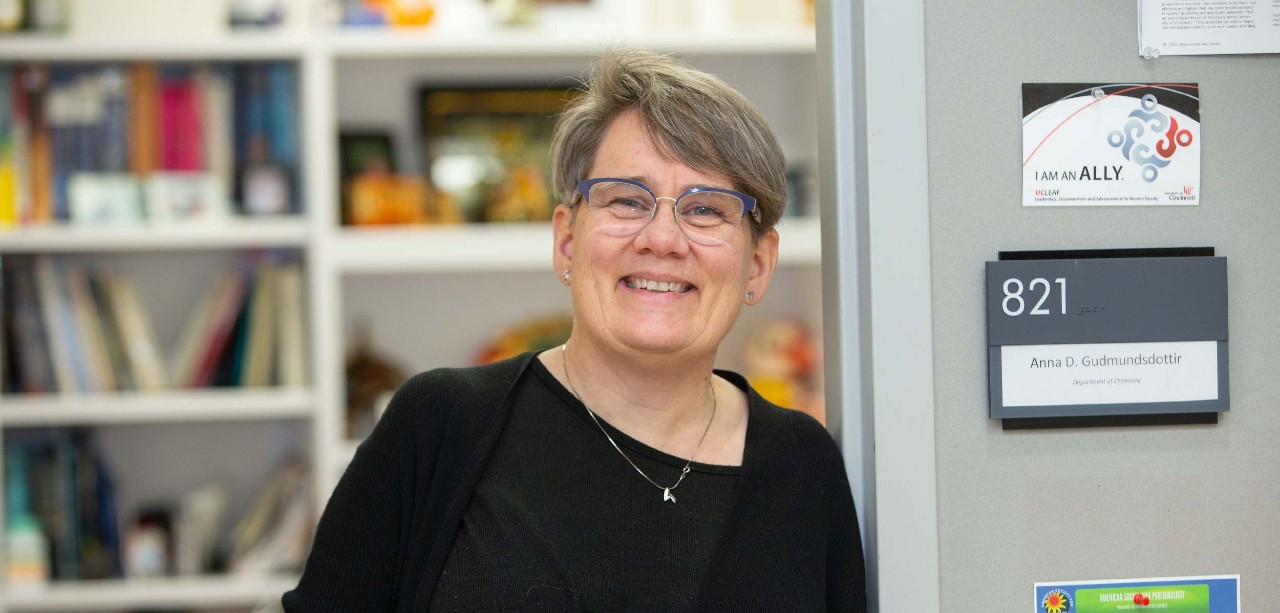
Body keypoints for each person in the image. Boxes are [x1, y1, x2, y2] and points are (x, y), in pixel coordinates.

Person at [283, 48, 866, 612]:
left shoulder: (802, 465)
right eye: (626, 201)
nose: (661, 239)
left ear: (758, 265)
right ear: (566, 240)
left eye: (706, 208)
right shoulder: (439, 424)